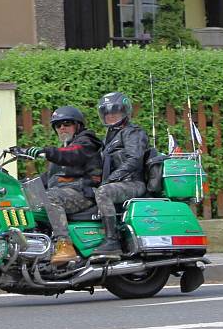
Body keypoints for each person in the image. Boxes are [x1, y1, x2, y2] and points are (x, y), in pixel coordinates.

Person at [21, 106, 103, 266]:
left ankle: (64, 245)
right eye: (58, 125)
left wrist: (45, 152)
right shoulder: (65, 149)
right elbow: (48, 179)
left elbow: (72, 154)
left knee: (50, 198)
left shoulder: (86, 142)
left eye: (66, 123)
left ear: (77, 125)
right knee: (22, 198)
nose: (62, 128)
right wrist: (18, 185)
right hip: (66, 191)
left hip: (84, 193)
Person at [92, 92, 149, 257]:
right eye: (107, 113)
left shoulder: (133, 132)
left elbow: (135, 159)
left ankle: (112, 240)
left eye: (115, 112)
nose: (110, 116)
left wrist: (111, 179)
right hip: (118, 182)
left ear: (125, 112)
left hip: (133, 183)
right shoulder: (110, 137)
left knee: (103, 192)